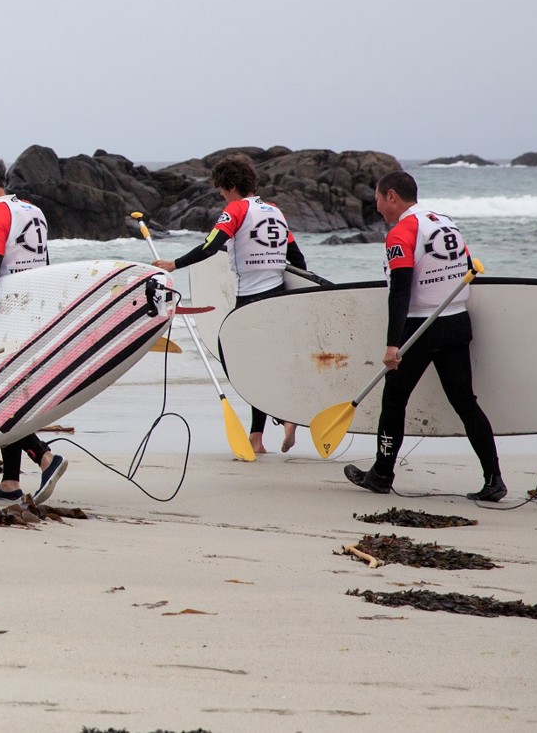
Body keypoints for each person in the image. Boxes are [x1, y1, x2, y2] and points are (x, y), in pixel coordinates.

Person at [345, 170, 505, 501]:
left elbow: (400, 290)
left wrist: (392, 344)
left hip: (420, 329)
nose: (376, 207)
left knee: (393, 400)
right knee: (465, 403)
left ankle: (381, 474)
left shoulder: (401, 232)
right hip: (457, 321)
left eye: (377, 199)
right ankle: (494, 480)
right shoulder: (446, 223)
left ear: (392, 196)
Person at [150, 154, 309, 454]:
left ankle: (271, 425)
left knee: (241, 364)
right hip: (279, 297)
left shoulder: (235, 210)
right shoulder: (274, 211)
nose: (221, 194)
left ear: (231, 184)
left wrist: (175, 264)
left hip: (250, 300)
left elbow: (211, 246)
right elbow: (297, 259)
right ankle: (262, 434)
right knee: (263, 365)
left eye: (222, 188)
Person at [0, 153, 67, 503]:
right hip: (36, 310)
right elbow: (46, 266)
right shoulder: (32, 211)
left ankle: (45, 457)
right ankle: (10, 482)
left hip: (8, 313)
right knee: (15, 393)